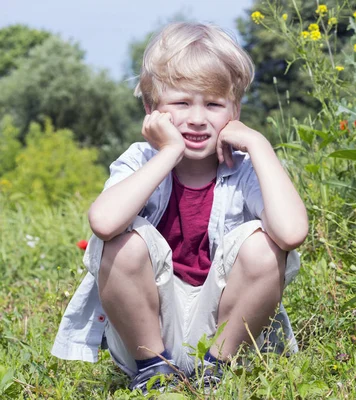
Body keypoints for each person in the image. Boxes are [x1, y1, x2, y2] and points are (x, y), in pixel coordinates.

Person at [51, 22, 308, 394]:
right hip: (147, 330)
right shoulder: (140, 160)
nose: (198, 119)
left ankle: (216, 370)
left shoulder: (248, 168)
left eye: (215, 104)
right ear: (151, 109)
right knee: (124, 240)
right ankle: (154, 372)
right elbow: (104, 223)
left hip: (227, 330)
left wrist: (259, 145)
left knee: (263, 244)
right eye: (182, 102)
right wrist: (169, 152)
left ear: (235, 110)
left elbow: (291, 233)